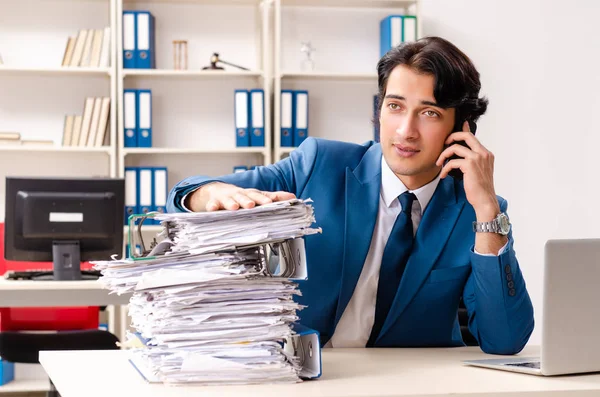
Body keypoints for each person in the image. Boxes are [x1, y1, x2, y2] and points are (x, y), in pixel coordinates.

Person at [166, 36, 534, 354]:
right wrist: (208, 193)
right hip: (304, 377)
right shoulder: (319, 165)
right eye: (395, 106)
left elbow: (504, 340)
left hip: (414, 384)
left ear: (461, 126)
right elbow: (185, 194)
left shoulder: (480, 213)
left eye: (429, 113)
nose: (405, 130)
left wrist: (486, 207)